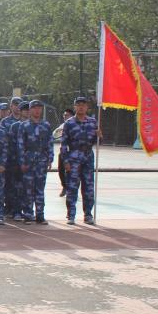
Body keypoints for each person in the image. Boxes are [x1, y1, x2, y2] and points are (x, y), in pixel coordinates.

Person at [61, 96, 97, 225]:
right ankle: (71, 215)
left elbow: (97, 141)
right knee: (72, 187)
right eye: (78, 105)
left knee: (88, 188)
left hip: (88, 157)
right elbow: (64, 144)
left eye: (83, 105)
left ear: (87, 107)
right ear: (75, 107)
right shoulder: (69, 123)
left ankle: (88, 214)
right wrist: (65, 161)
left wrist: (99, 136)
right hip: (74, 157)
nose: (81, 107)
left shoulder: (92, 122)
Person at [18, 100, 53, 224]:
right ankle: (28, 214)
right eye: (34, 108)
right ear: (30, 110)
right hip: (29, 159)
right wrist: (22, 161)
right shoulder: (24, 125)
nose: (37, 110)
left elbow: (50, 143)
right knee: (28, 189)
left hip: (42, 160)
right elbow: (20, 145)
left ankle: (40, 215)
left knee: (40, 189)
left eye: (39, 108)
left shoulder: (46, 125)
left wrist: (50, 158)